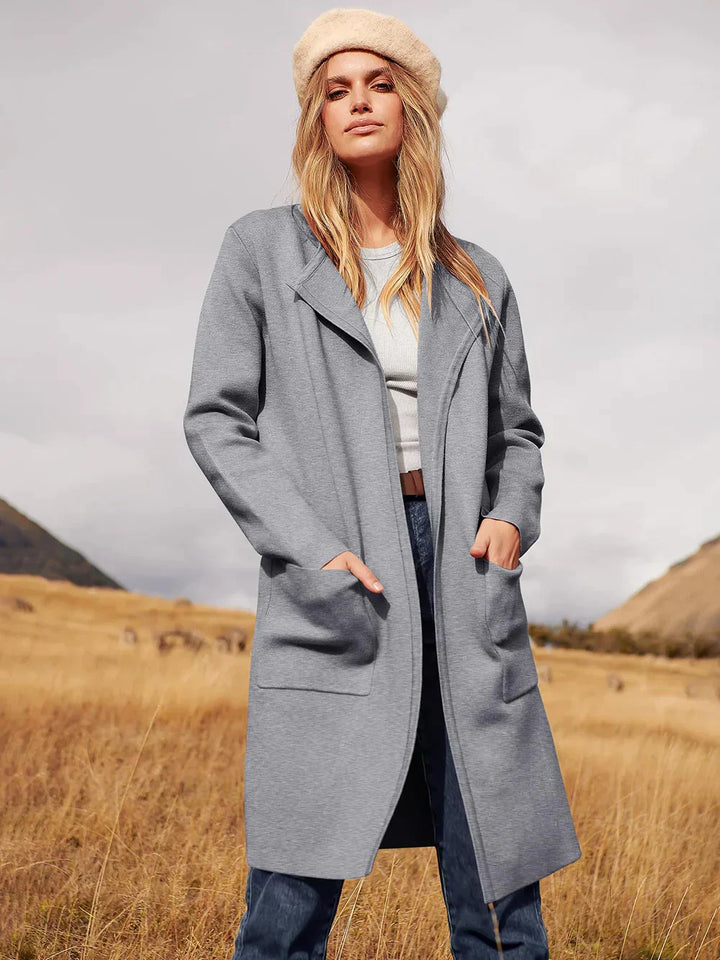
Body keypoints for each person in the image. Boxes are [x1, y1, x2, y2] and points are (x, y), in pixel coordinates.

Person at [183, 7, 582, 959]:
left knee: (497, 883)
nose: (358, 102)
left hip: (462, 567)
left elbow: (518, 434)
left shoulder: (477, 275)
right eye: (335, 89)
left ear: (415, 106)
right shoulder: (262, 251)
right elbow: (217, 418)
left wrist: (508, 521)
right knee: (292, 886)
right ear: (315, 118)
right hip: (341, 559)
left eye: (379, 83)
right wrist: (309, 545)